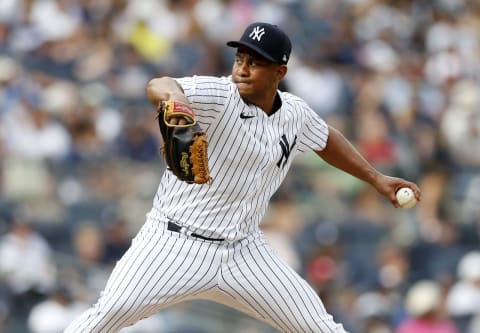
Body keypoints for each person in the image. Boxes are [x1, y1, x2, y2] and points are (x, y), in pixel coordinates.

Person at [64, 22, 421, 333]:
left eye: (256, 63)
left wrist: (376, 179)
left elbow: (326, 139)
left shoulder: (294, 113)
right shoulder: (221, 96)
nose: (243, 70)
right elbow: (159, 84)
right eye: (240, 59)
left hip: (244, 251)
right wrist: (176, 99)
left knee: (320, 327)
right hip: (173, 243)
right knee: (106, 316)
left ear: (279, 72)